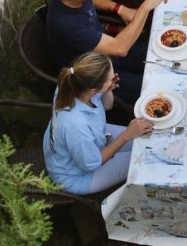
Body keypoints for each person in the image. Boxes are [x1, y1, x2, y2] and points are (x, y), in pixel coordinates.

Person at [46, 0, 168, 103]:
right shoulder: (68, 25)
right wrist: (146, 7)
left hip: (107, 52)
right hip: (95, 77)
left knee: (164, 54)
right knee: (159, 88)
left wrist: (118, 8)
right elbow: (120, 48)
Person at [43, 52, 154, 195]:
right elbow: (92, 163)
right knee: (145, 157)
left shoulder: (75, 84)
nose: (114, 77)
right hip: (77, 176)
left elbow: (107, 106)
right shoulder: (75, 125)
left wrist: (108, 89)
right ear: (93, 89)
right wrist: (126, 135)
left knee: (148, 139)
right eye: (110, 78)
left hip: (93, 138)